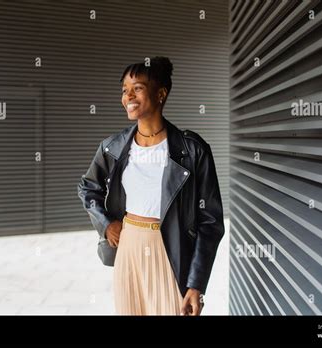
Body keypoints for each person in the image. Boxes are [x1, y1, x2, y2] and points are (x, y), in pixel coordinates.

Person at [78, 56, 224, 315]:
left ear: (161, 93)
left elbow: (210, 222)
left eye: (138, 88)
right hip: (129, 248)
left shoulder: (192, 150)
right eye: (124, 90)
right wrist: (106, 223)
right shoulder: (113, 147)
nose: (128, 96)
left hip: (170, 249)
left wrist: (196, 285)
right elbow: (89, 187)